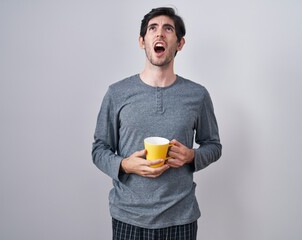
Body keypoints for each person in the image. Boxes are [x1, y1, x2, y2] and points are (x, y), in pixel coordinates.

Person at [92, 7, 222, 240]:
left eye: (168, 29)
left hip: (181, 218)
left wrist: (191, 156)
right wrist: (124, 165)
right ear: (143, 41)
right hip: (128, 218)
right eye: (153, 28)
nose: (159, 34)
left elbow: (213, 145)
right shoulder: (117, 93)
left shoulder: (197, 95)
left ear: (180, 43)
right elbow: (99, 148)